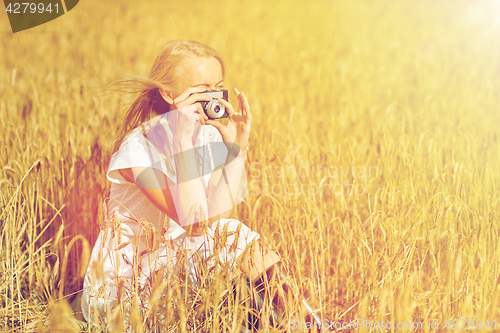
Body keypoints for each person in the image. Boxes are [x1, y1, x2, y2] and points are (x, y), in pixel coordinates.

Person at [81, 40, 316, 331]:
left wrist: (236, 147)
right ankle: (301, 326)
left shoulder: (206, 137)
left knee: (233, 236)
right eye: (202, 90)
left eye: (218, 86)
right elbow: (193, 223)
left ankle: (305, 324)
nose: (213, 98)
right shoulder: (137, 150)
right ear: (168, 93)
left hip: (174, 268)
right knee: (234, 236)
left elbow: (214, 219)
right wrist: (181, 141)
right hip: (124, 287)